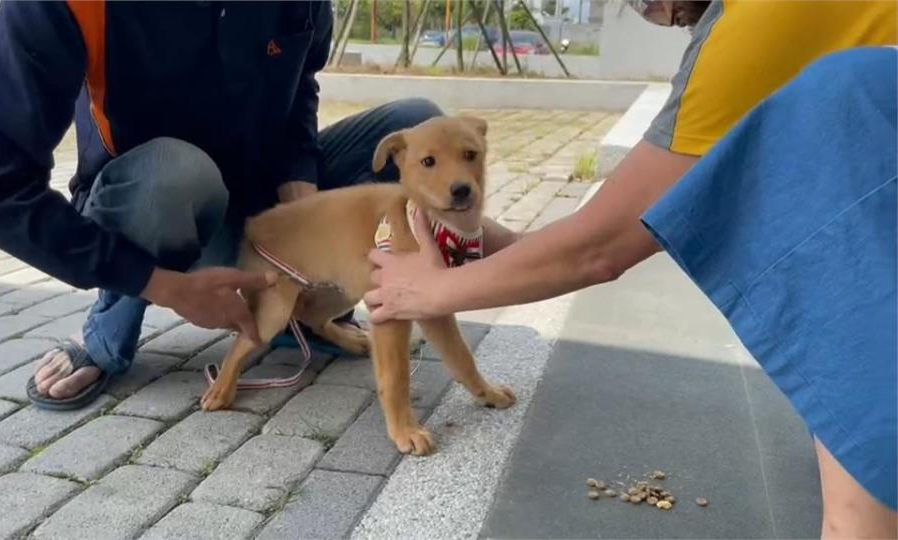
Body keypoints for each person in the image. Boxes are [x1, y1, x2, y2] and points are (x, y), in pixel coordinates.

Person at [364, 2, 897, 537]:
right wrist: (512, 247)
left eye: (645, 4)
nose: (655, 18)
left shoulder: (746, 30)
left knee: (861, 499)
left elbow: (602, 246)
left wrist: (437, 289)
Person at [0, 1, 524, 410]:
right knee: (172, 174)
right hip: (162, 209)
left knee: (412, 121)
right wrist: (162, 285)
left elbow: (300, 85)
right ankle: (109, 332)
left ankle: (297, 312)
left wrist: (299, 179)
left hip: (265, 211)